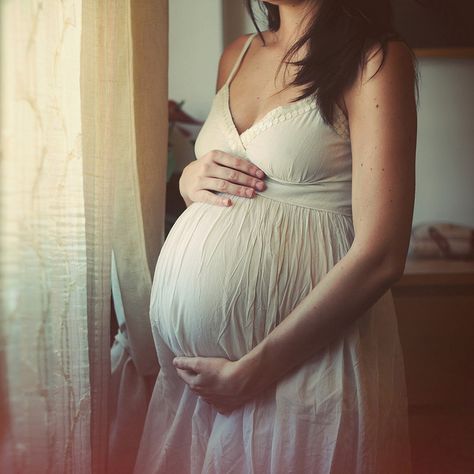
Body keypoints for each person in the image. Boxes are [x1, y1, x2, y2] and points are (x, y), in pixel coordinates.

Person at [134, 0, 418, 472]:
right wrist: (189, 180)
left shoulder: (375, 59)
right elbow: (239, 194)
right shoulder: (238, 54)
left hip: (306, 370)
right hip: (198, 392)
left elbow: (383, 254)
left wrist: (253, 371)